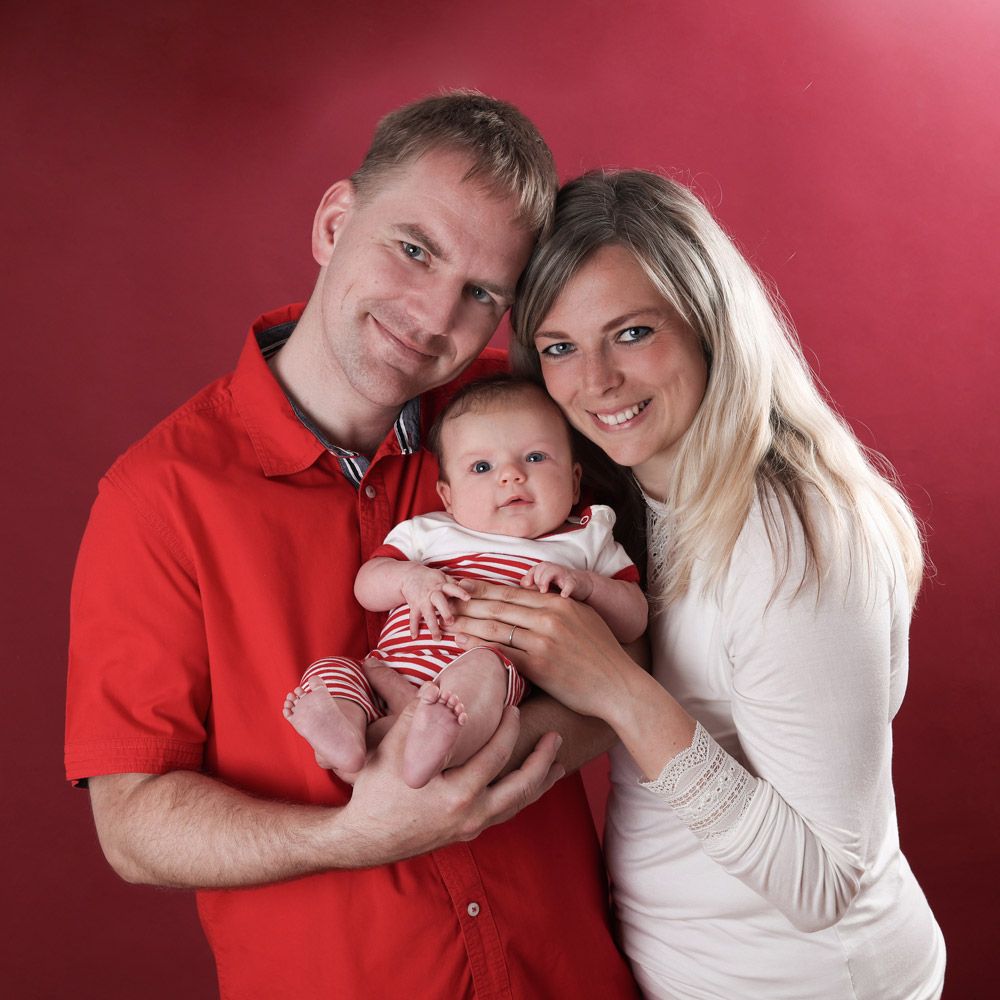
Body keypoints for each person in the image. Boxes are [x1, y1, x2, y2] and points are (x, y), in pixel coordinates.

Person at [65, 95, 641, 999]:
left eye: (481, 293)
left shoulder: (523, 426)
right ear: (335, 223)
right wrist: (353, 836)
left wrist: (494, 756)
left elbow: (649, 651)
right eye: (413, 249)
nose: (433, 315)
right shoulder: (158, 498)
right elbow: (133, 825)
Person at [449, 169, 946, 998]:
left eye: (632, 332)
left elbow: (825, 883)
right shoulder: (626, 505)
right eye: (560, 347)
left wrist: (618, 690)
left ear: (710, 323)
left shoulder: (793, 536)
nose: (595, 381)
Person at [283, 376, 647, 788]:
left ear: (575, 481)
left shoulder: (585, 538)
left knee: (486, 668)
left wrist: (587, 586)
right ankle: (343, 733)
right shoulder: (428, 531)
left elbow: (634, 620)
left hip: (481, 669)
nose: (511, 476)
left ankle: (437, 745)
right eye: (482, 467)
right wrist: (411, 579)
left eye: (535, 457)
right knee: (332, 670)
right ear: (449, 496)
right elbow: (366, 587)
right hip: (386, 667)